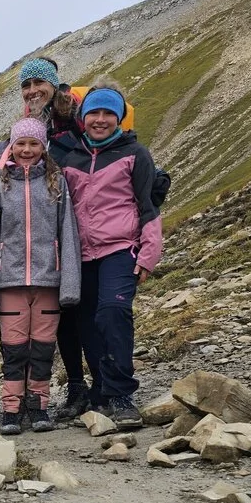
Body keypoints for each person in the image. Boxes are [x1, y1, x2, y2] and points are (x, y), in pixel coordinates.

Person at [10, 58, 136, 421]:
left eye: (39, 83)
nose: (32, 90)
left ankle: (105, 387)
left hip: (85, 230)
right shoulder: (32, 124)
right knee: (66, 317)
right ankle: (79, 387)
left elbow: (110, 147)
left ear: (54, 85)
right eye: (26, 85)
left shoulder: (77, 117)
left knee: (94, 314)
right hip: (52, 236)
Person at [60, 85, 162, 428]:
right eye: (94, 113)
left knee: (113, 312)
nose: (100, 120)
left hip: (120, 248)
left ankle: (121, 396)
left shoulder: (135, 153)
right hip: (80, 255)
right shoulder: (70, 159)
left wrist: (148, 254)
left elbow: (148, 204)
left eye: (108, 114)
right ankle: (101, 392)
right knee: (88, 325)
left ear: (119, 118)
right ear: (83, 118)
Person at [0, 118, 80, 434]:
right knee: (14, 348)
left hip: (49, 281)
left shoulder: (57, 183)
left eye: (33, 144)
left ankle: (38, 406)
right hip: (9, 282)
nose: (26, 150)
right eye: (20, 143)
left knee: (43, 348)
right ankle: (11, 409)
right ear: (11, 148)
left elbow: (68, 233)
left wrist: (70, 284)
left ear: (43, 147)